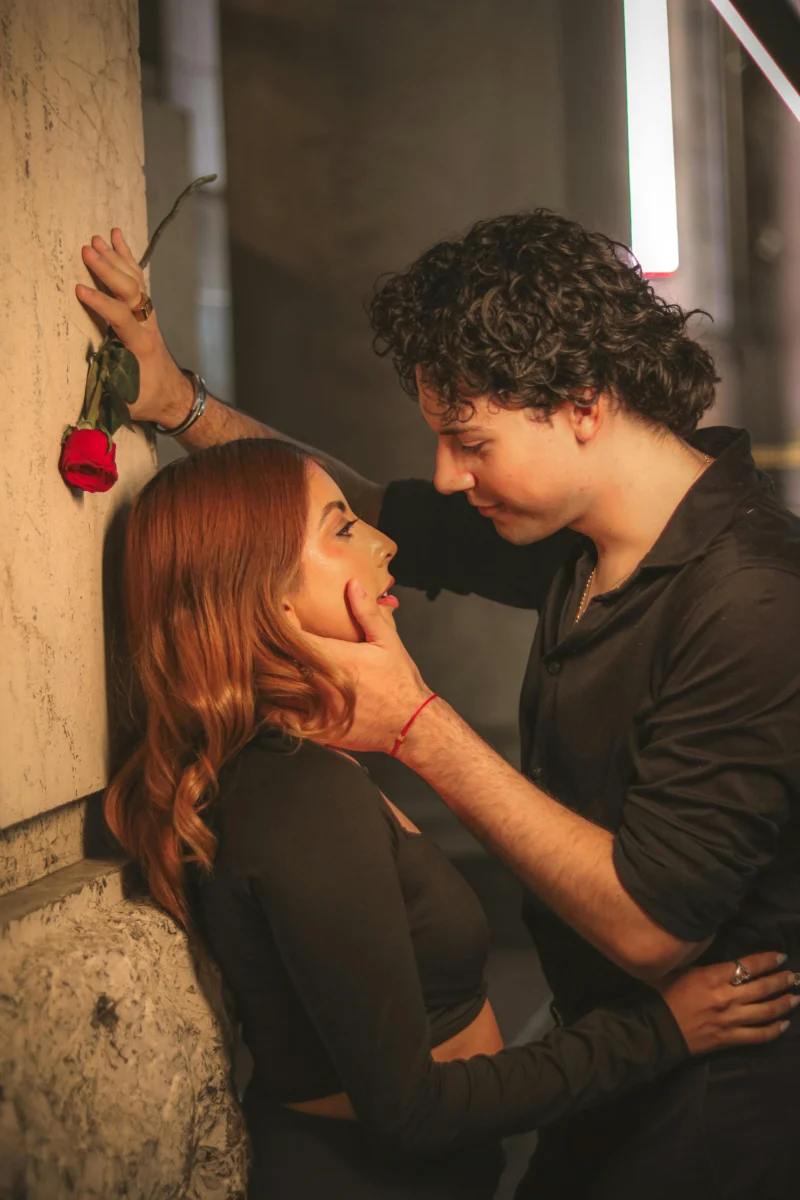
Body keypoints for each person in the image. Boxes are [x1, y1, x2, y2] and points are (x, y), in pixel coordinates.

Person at [79, 211, 800, 1197]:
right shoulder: (579, 534)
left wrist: (415, 726)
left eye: (469, 442)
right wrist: (175, 403)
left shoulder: (750, 599)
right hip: (605, 1067)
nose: (448, 476)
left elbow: (650, 924)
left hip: (717, 1110)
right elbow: (361, 515)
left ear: (581, 404)